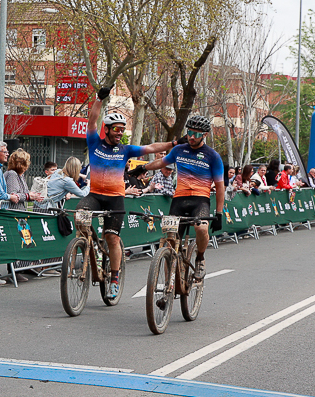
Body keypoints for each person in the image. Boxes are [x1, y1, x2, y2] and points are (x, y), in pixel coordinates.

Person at [80, 86, 178, 299]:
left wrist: (174, 143)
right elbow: (92, 121)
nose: (120, 133)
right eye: (116, 129)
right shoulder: (94, 142)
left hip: (115, 198)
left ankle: (114, 278)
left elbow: (151, 147)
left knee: (112, 238)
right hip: (95, 195)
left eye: (122, 130)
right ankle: (91, 247)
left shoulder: (125, 150)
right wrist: (99, 99)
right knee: (80, 218)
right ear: (107, 129)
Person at [133, 114, 226, 284]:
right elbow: (161, 163)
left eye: (196, 134)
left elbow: (220, 187)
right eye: (189, 132)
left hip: (200, 200)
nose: (191, 137)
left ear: (205, 135)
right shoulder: (179, 150)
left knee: (201, 228)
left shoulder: (212, 156)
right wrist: (142, 167)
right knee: (170, 242)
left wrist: (219, 213)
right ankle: (168, 286)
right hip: (179, 199)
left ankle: (200, 258)